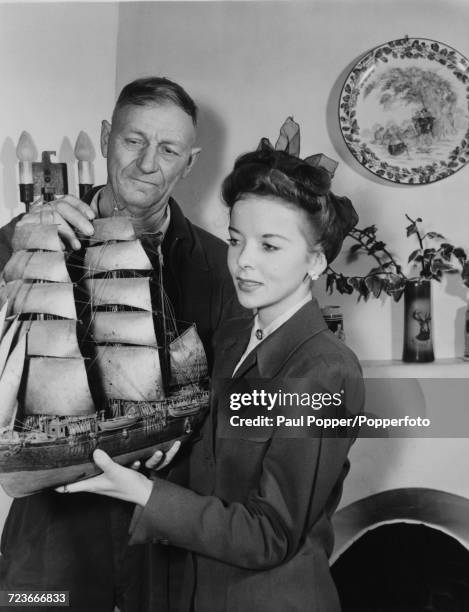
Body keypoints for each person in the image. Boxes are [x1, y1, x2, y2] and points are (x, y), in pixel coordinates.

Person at [57, 146, 365, 611]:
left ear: (317, 261)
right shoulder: (235, 337)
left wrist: (143, 492)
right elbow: (213, 461)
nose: (242, 261)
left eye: (270, 245)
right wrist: (148, 457)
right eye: (236, 239)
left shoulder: (325, 371)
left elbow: (271, 534)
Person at [0, 77, 242, 611]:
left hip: (167, 523)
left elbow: (233, 398)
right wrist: (17, 251)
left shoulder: (220, 268)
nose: (147, 163)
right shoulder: (27, 237)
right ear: (108, 135)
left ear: (190, 161)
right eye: (134, 140)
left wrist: (191, 441)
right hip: (51, 527)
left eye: (169, 149)